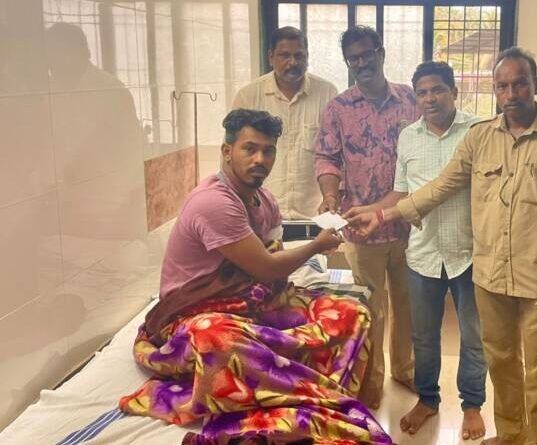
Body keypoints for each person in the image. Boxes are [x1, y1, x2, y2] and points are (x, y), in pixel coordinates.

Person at [348, 47, 537, 445]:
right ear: (494, 90)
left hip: (534, 273)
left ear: (536, 85)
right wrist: (384, 215)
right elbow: (440, 186)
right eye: (502, 86)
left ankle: (534, 440)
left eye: (520, 84)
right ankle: (510, 435)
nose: (511, 94)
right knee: (501, 361)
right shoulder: (481, 137)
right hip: (488, 272)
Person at [119, 109, 390, 445]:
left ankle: (305, 385)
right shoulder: (214, 203)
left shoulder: (264, 200)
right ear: (227, 151)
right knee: (217, 338)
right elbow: (266, 268)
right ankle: (317, 397)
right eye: (249, 148)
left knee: (352, 314)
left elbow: (272, 257)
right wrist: (317, 246)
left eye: (268, 150)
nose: (260, 159)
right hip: (194, 313)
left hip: (253, 303)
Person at [344, 61, 488, 439]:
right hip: (423, 253)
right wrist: (374, 212)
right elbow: (402, 192)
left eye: (437, 89)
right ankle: (428, 398)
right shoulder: (408, 136)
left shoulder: (478, 131)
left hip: (470, 252)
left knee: (474, 336)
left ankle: (472, 405)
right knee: (422, 336)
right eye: (422, 92)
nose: (430, 98)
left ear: (454, 91)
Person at [315, 25, 418, 409]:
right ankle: (371, 383)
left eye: (366, 54)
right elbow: (326, 157)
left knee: (409, 306)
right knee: (371, 310)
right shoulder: (338, 109)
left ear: (381, 53)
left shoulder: (411, 100)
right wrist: (330, 194)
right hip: (361, 229)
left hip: (409, 225)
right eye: (353, 58)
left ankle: (405, 371)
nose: (361, 63)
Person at [232, 26, 338, 239]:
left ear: (307, 57)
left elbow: (335, 154)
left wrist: (333, 197)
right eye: (285, 55)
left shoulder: (327, 93)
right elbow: (233, 157)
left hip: (314, 220)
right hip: (261, 218)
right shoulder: (249, 96)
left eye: (299, 55)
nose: (293, 62)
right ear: (271, 57)